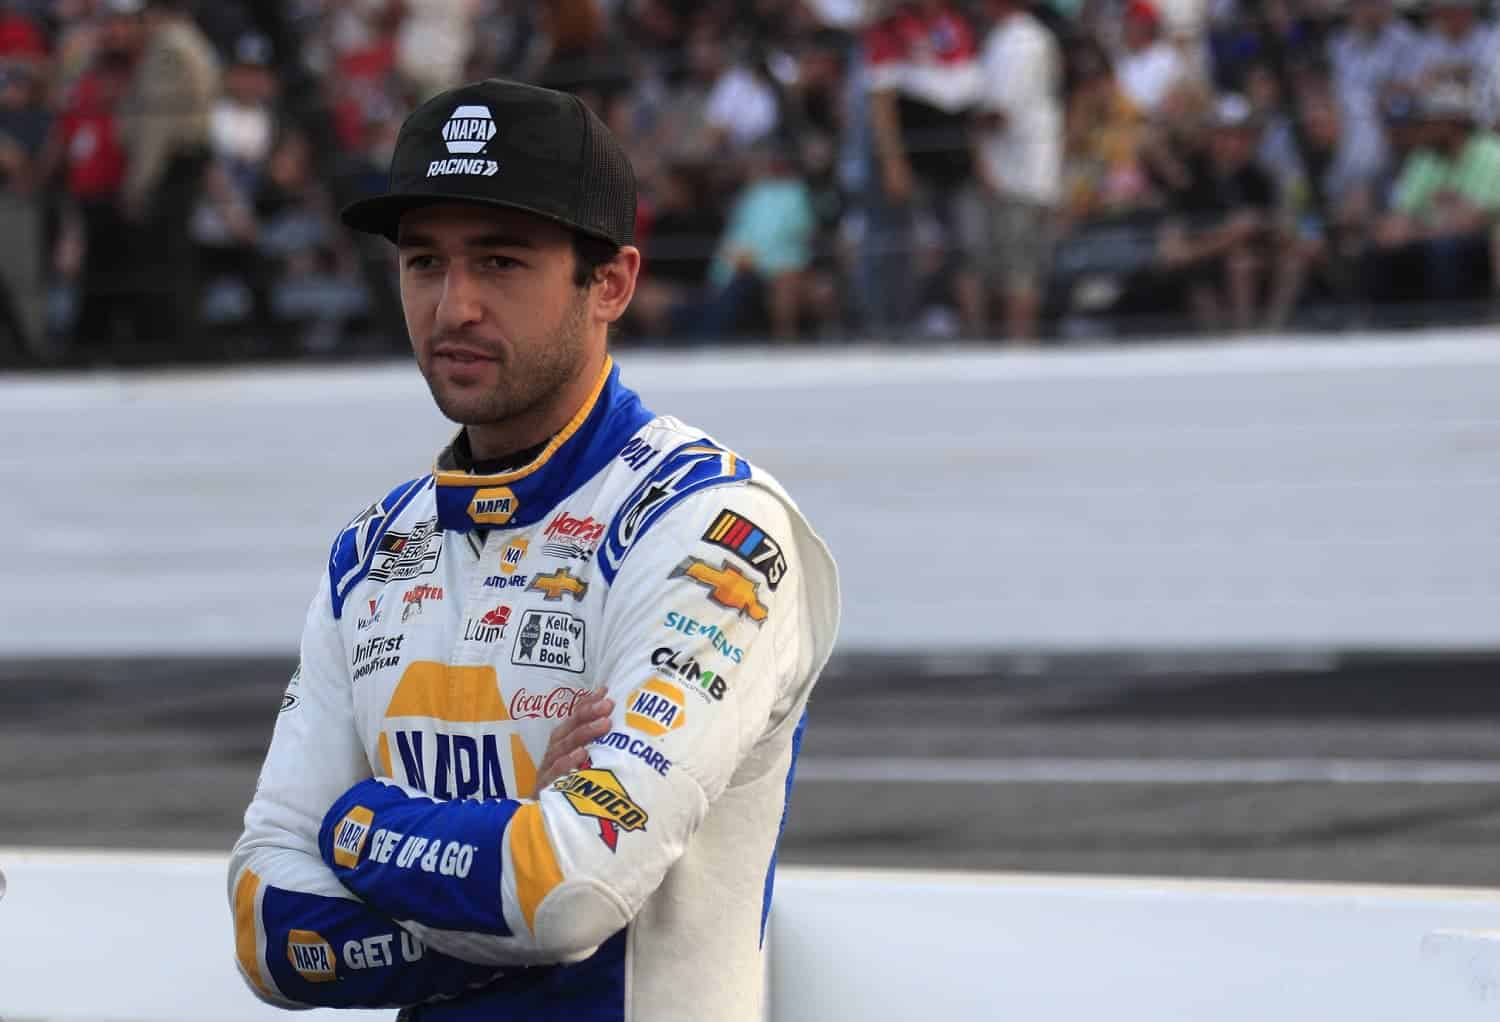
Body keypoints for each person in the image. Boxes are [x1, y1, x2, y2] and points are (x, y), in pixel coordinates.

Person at [227, 78, 841, 1021]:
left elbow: (570, 890)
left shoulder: (710, 529)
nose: (453, 305)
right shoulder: (374, 550)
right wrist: (504, 853)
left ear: (613, 283)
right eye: (424, 261)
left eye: (501, 262)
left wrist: (359, 826)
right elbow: (270, 930)